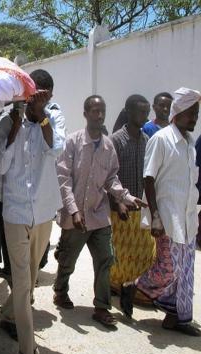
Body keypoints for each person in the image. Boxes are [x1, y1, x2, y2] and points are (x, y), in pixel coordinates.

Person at [0, 69, 66, 354]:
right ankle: (27, 350)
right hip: (15, 211)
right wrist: (15, 125)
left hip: (45, 210)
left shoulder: (55, 117)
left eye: (45, 95)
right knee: (22, 284)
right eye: (35, 94)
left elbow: (56, 149)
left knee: (32, 278)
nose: (39, 98)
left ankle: (9, 313)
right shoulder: (7, 121)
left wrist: (41, 115)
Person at [54, 95, 145, 327]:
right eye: (95, 111)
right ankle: (60, 290)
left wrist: (126, 196)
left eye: (102, 110)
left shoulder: (108, 146)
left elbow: (111, 179)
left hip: (98, 214)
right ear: (86, 114)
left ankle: (102, 307)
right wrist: (73, 211)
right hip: (76, 217)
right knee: (68, 260)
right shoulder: (73, 142)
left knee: (106, 259)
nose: (100, 115)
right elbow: (64, 180)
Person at [121, 87, 201, 337]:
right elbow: (148, 179)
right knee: (169, 268)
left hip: (186, 217)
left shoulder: (189, 143)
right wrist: (155, 215)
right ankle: (132, 287)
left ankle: (176, 317)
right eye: (191, 113)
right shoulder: (162, 139)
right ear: (178, 111)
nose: (195, 118)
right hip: (167, 217)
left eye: (197, 113)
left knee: (185, 271)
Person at [109, 95, 155, 303]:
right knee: (119, 252)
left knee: (142, 252)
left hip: (140, 207)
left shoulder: (147, 141)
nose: (144, 116)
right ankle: (114, 285)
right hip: (120, 208)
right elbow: (109, 175)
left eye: (146, 112)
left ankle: (133, 288)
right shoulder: (116, 140)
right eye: (140, 112)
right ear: (128, 112)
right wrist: (118, 202)